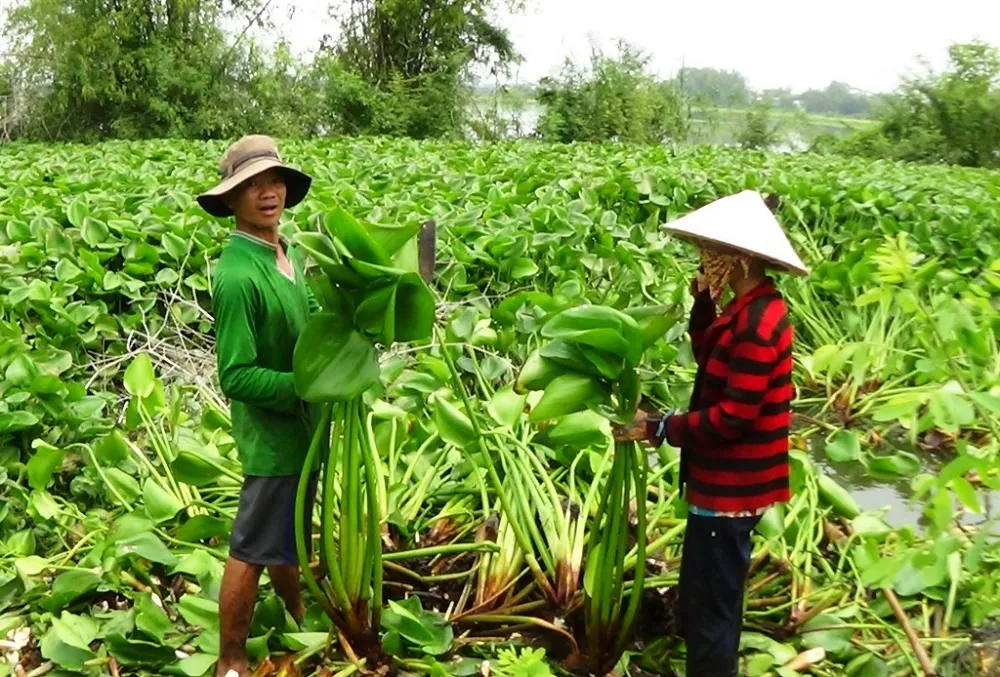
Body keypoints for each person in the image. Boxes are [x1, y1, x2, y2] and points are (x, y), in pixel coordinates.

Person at [615, 190, 809, 677]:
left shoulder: (761, 323)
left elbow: (731, 418)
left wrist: (660, 427)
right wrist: (703, 299)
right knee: (703, 590)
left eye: (713, 254)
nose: (704, 260)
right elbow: (709, 352)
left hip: (733, 488)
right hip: (720, 483)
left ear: (741, 259)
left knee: (715, 607)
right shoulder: (744, 311)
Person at [197, 135, 320, 677]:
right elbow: (237, 375)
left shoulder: (281, 252)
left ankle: (297, 615)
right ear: (230, 200)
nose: (266, 193)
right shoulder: (238, 273)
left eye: (273, 181)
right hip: (273, 437)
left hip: (302, 429)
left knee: (288, 533)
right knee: (250, 547)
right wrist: (308, 384)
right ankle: (230, 661)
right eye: (250, 186)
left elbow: (312, 316)